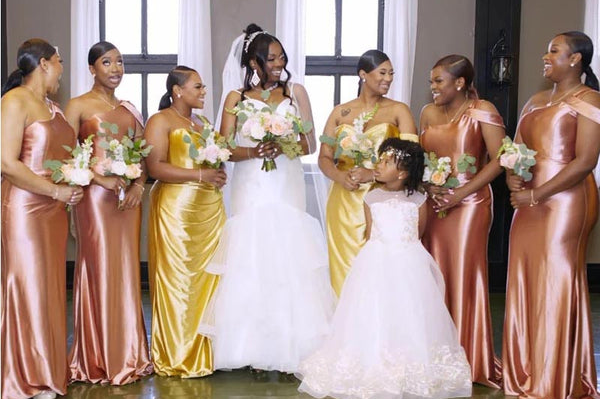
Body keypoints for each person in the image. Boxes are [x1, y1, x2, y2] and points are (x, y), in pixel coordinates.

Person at [198, 24, 335, 376]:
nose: (279, 64)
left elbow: (310, 144)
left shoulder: (296, 92)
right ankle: (253, 348)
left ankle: (293, 346)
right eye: (271, 59)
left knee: (289, 257)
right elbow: (224, 148)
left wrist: (284, 143)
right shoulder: (236, 98)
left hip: (286, 182)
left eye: (281, 57)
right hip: (251, 184)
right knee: (252, 258)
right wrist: (254, 150)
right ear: (253, 63)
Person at [297, 139, 472, 399]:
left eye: (386, 162)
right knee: (374, 308)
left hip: (408, 262)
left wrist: (402, 251)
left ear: (402, 174)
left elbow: (418, 232)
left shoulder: (419, 199)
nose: (378, 166)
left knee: (408, 310)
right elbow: (370, 232)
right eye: (380, 160)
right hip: (376, 261)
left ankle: (408, 364)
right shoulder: (371, 198)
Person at [503, 31, 600, 399]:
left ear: (575, 59)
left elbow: (585, 161)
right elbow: (516, 149)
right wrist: (513, 176)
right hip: (527, 202)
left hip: (565, 201)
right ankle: (526, 370)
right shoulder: (535, 100)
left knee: (557, 279)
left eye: (554, 51)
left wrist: (537, 194)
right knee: (526, 276)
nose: (546, 56)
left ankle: (556, 378)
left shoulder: (589, 101)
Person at [64, 41, 153, 385]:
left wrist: (138, 186)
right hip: (94, 199)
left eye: (119, 62)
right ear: (92, 69)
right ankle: (97, 357)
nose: (115, 69)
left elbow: (142, 156)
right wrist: (100, 179)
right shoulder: (78, 105)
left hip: (128, 201)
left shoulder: (130, 109)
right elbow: (65, 154)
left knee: (127, 270)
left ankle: (130, 354)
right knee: (99, 267)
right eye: (106, 62)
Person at [1, 39, 83, 399]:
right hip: (25, 208)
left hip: (53, 210)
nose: (62, 69)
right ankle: (26, 376)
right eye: (60, 61)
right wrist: (54, 191)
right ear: (45, 63)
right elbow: (7, 163)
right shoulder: (14, 101)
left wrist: (72, 184)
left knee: (50, 288)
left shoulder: (53, 107)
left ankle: (48, 369)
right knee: (29, 285)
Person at [420, 55, 506, 388]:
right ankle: (436, 355)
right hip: (434, 202)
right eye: (431, 81)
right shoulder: (428, 113)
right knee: (434, 274)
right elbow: (421, 159)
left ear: (459, 83)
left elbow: (500, 159)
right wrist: (429, 186)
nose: (433, 87)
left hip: (470, 204)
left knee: (463, 275)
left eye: (438, 81)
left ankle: (469, 357)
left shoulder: (481, 110)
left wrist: (461, 193)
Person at [144, 66, 227, 377]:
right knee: (178, 280)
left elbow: (213, 160)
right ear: (177, 91)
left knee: (208, 281)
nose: (203, 92)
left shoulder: (203, 124)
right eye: (198, 86)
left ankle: (205, 351)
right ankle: (178, 354)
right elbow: (155, 167)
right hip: (176, 211)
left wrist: (217, 173)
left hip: (208, 210)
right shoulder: (160, 120)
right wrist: (201, 174)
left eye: (203, 86)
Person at [319, 49, 418, 296]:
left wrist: (372, 174)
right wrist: (340, 176)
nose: (388, 78)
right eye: (382, 73)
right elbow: (324, 157)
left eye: (391, 73)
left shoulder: (399, 110)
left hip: (383, 200)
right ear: (363, 74)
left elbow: (412, 158)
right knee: (344, 270)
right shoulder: (339, 112)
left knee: (380, 269)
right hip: (343, 202)